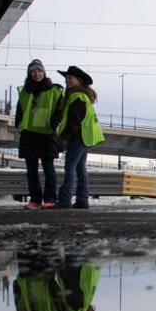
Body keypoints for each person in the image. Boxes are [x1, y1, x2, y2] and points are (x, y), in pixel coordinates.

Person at [13, 59, 65, 209]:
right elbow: (20, 111)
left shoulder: (54, 90)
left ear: (44, 72)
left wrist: (53, 125)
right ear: (29, 74)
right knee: (31, 170)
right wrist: (20, 126)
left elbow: (60, 110)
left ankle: (50, 199)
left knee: (49, 168)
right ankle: (35, 200)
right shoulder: (24, 91)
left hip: (47, 135)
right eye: (33, 71)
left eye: (39, 71)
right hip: (29, 135)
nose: (37, 74)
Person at [54, 65, 103, 209]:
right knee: (80, 168)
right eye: (67, 78)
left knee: (70, 167)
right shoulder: (82, 96)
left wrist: (63, 137)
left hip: (79, 136)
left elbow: (74, 120)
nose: (67, 80)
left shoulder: (77, 96)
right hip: (85, 136)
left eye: (71, 78)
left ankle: (64, 200)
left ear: (79, 81)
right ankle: (82, 200)